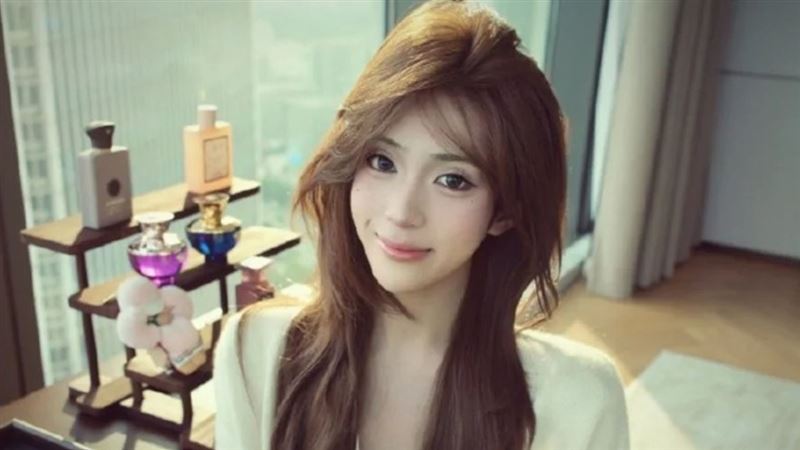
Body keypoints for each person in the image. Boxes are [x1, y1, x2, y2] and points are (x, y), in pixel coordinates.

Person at [213, 0, 630, 449]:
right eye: (382, 161)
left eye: (453, 180)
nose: (401, 212)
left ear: (505, 211)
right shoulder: (254, 352)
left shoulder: (578, 404)